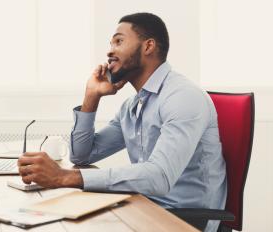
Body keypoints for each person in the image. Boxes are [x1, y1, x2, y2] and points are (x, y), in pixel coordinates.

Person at [18, 12, 227, 232]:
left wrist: (65, 177)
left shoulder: (182, 97)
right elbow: (82, 155)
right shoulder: (133, 106)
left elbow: (159, 177)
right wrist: (92, 96)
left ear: (148, 47)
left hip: (185, 220)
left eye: (119, 41)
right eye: (110, 43)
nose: (109, 51)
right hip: (144, 206)